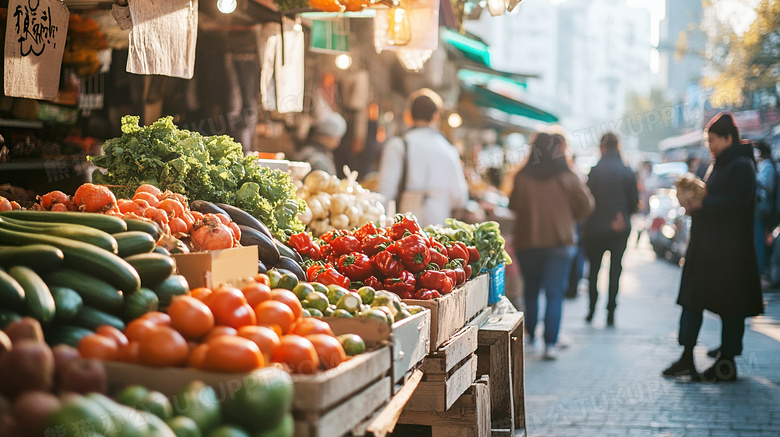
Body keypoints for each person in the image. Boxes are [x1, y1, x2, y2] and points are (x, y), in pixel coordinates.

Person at [662, 112, 763, 382]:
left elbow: (737, 203)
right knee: (692, 300)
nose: (710, 146)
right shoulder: (721, 163)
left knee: (731, 307)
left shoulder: (741, 165)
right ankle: (687, 358)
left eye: (713, 140)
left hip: (730, 253)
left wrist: (702, 204)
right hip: (708, 249)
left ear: (728, 138)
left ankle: (726, 362)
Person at [509, 133, 594, 360]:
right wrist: (570, 216)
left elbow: (513, 204)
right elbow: (586, 206)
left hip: (528, 242)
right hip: (560, 243)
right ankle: (550, 344)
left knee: (531, 290)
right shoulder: (568, 176)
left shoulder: (522, 177)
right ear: (559, 150)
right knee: (555, 293)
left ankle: (530, 339)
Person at [377, 89, 468, 227]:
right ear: (435, 116)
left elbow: (385, 192)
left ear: (409, 115)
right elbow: (460, 198)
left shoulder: (399, 144)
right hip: (439, 227)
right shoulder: (448, 149)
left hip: (405, 226)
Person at [581, 133, 639, 326]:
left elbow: (587, 203)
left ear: (602, 147)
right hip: (619, 229)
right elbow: (634, 203)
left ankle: (591, 310)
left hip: (596, 229)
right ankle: (611, 312)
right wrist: (622, 215)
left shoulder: (595, 171)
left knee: (594, 271)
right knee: (615, 271)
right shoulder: (627, 171)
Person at [753, 140, 775, 276]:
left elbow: (768, 187)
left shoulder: (767, 167)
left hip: (763, 207)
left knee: (759, 237)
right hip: (763, 207)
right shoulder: (765, 166)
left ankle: (761, 269)